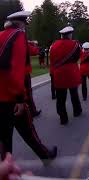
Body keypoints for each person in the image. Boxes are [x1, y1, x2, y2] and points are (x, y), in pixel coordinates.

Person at [0, 11, 57, 165]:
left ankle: (7, 167)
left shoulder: (1, 36)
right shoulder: (18, 35)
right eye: (25, 24)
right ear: (21, 23)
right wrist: (19, 97)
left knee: (5, 137)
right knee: (28, 131)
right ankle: (45, 156)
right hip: (12, 96)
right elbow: (16, 69)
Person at [50, 26, 82, 125]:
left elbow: (52, 60)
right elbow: (78, 56)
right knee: (74, 94)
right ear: (69, 34)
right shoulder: (75, 44)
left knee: (60, 98)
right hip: (72, 72)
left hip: (59, 73)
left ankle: (63, 118)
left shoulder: (54, 45)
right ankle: (77, 111)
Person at [26, 40, 42, 118]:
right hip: (23, 71)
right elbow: (34, 51)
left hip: (7, 72)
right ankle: (32, 111)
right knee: (28, 93)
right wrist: (35, 44)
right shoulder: (20, 37)